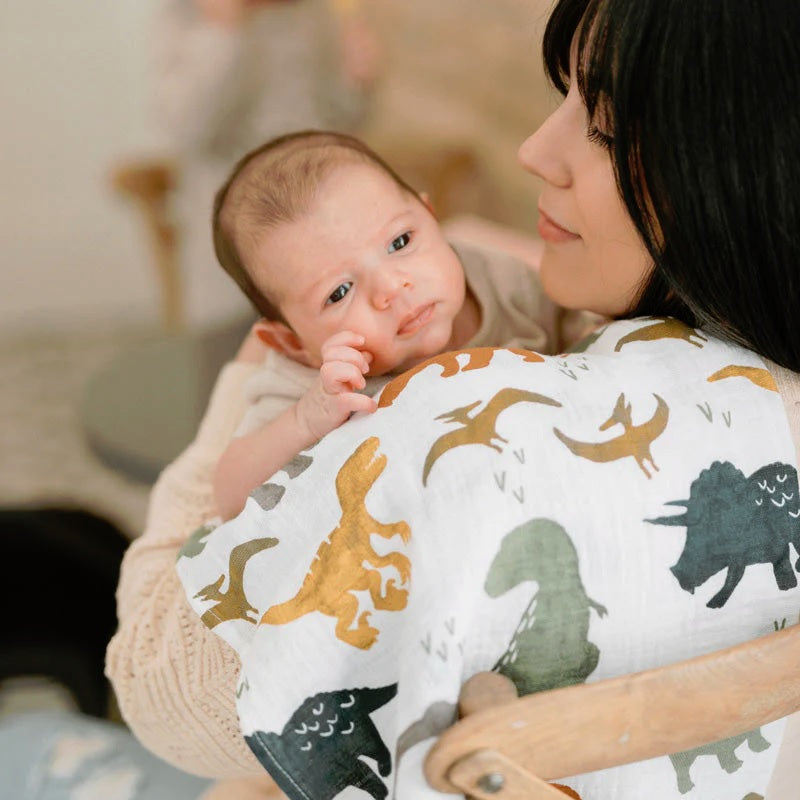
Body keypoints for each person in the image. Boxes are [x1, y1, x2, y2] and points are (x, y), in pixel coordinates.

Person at [107, 0, 800, 798]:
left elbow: (157, 683)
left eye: (603, 123)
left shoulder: (456, 432)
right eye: (559, 96)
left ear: (745, 163)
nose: (534, 149)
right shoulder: (743, 388)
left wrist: (246, 379)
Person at [210, 130, 562, 520]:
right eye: (340, 291)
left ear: (431, 217)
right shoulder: (316, 385)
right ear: (292, 343)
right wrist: (305, 420)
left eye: (400, 242)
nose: (393, 287)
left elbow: (589, 340)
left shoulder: (500, 280)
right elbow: (229, 497)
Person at [151, 0, 376, 327]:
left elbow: (340, 116)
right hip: (226, 238)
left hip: (317, 218)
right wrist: (222, 30)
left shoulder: (310, 14)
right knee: (238, 352)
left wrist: (357, 83)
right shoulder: (185, 16)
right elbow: (186, 125)